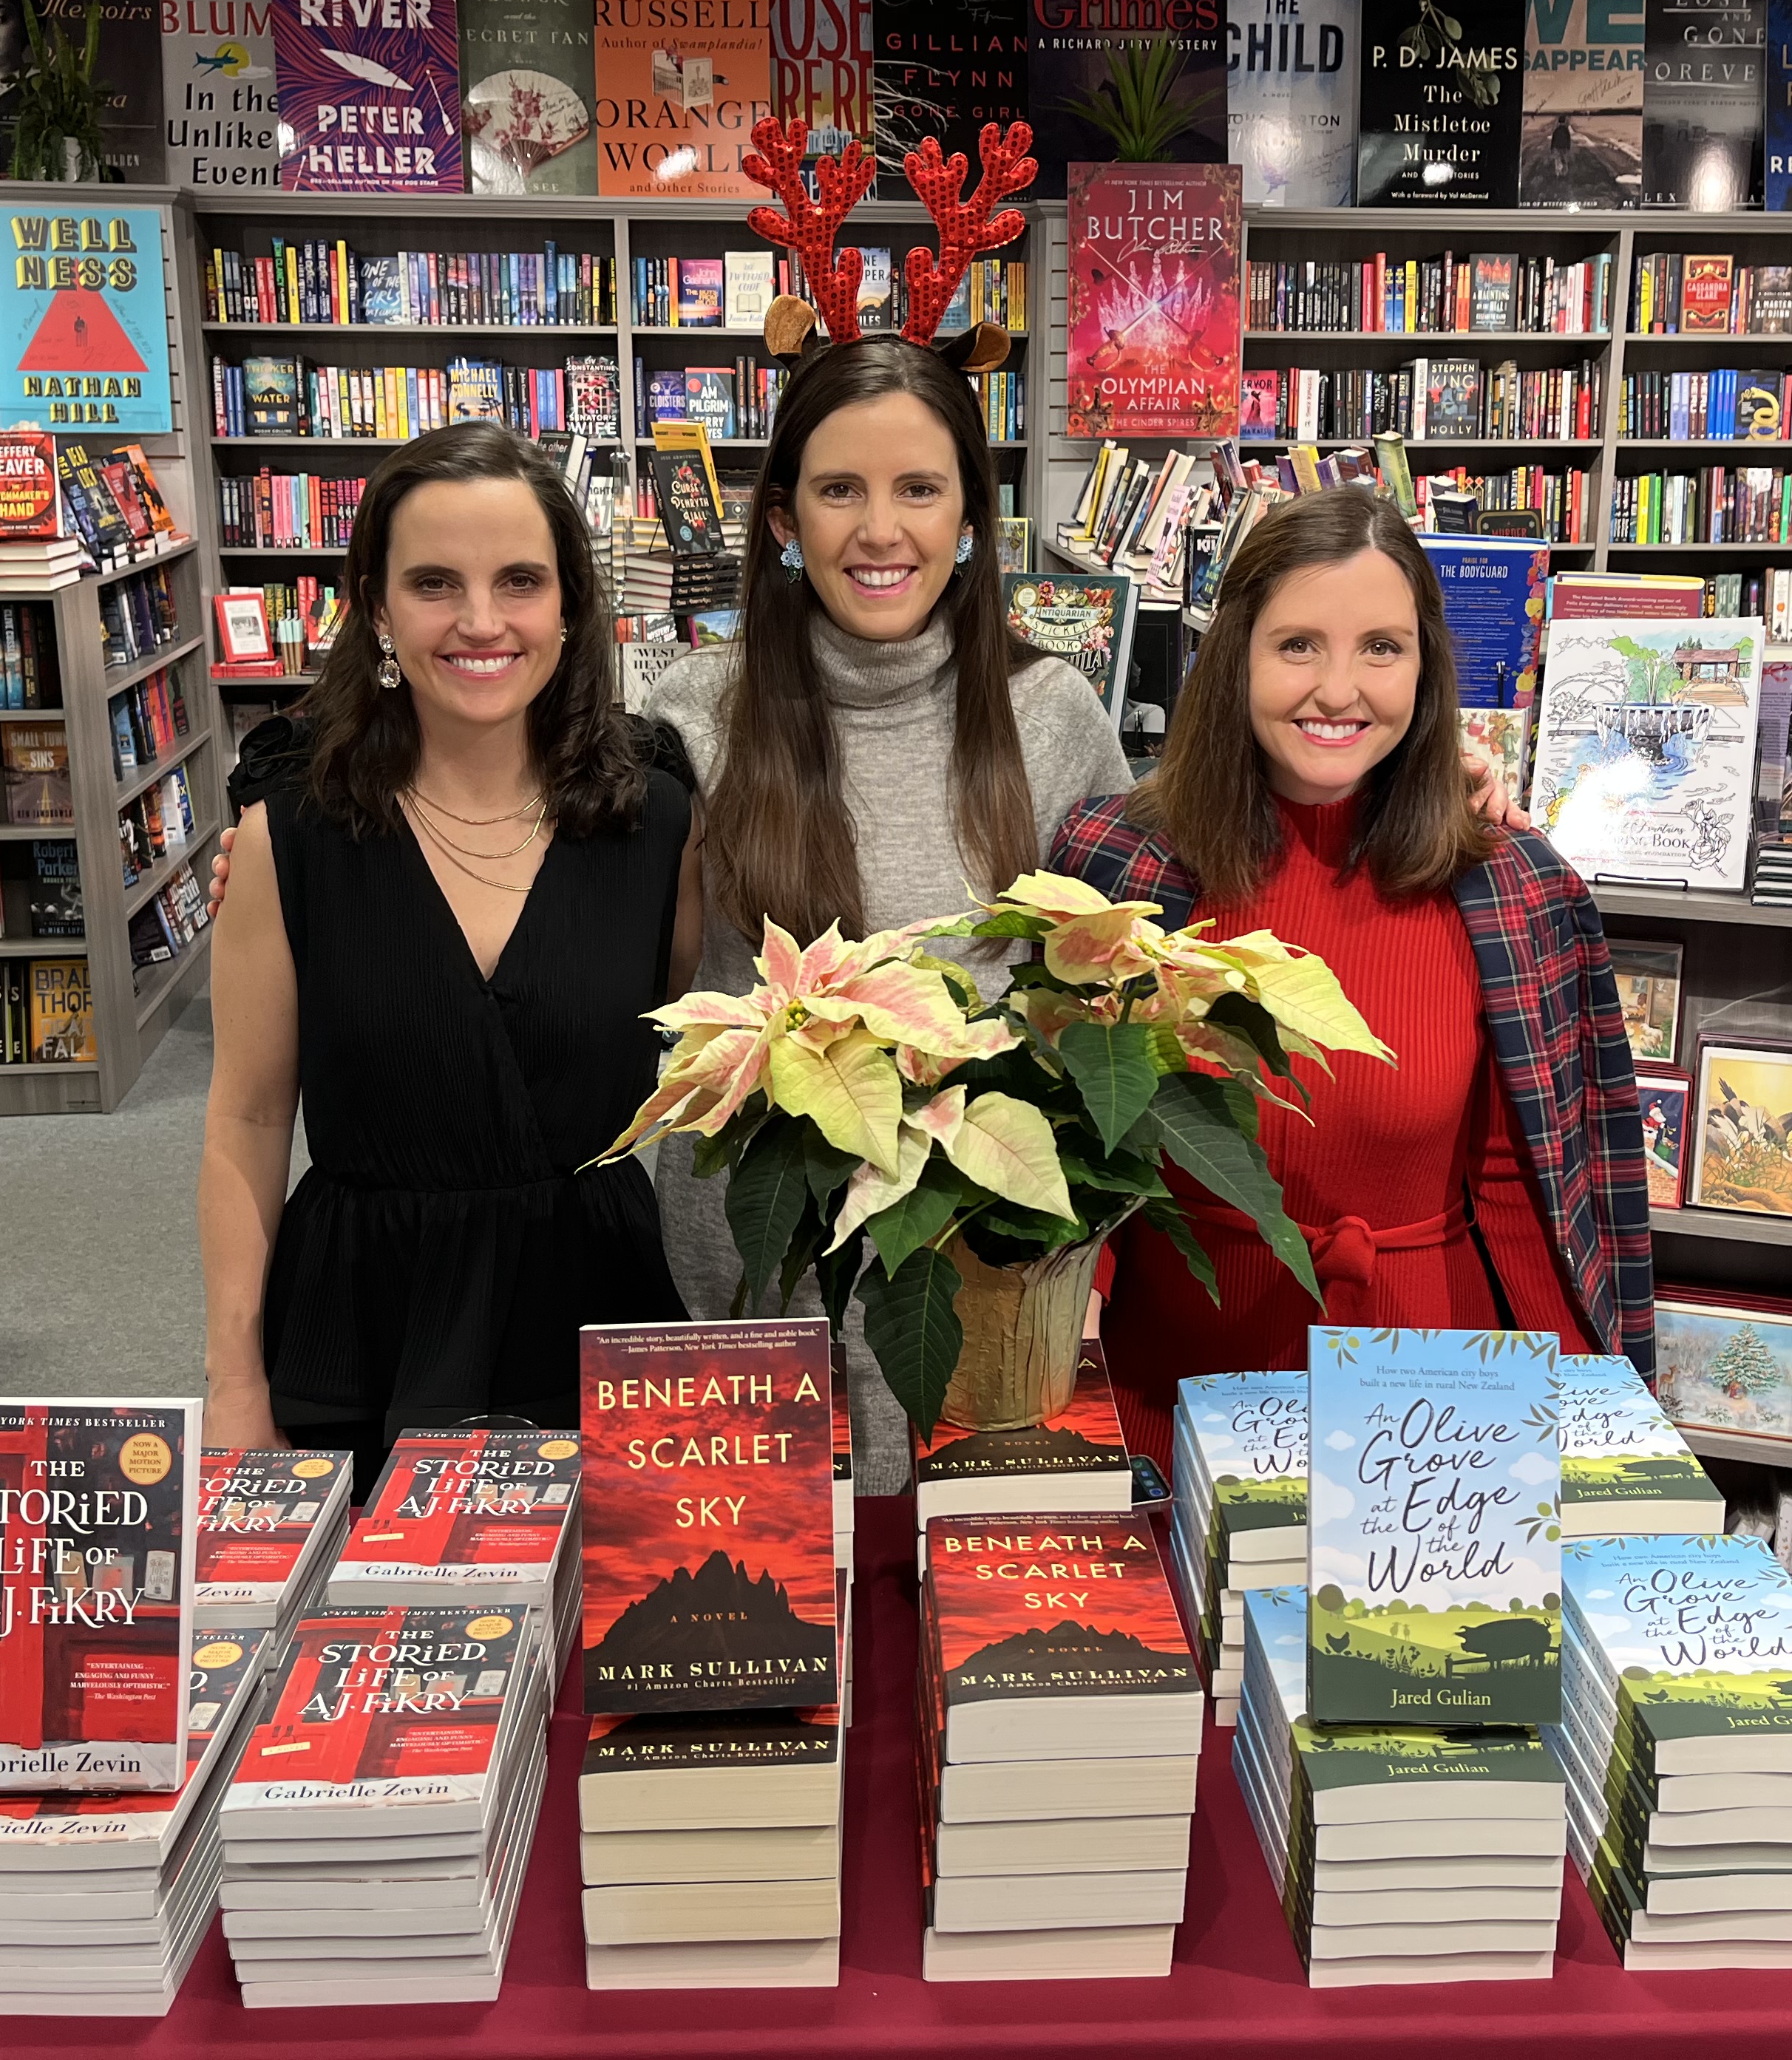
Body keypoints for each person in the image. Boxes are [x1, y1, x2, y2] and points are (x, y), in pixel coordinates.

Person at [1046, 486, 1651, 1461]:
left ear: (1426, 665)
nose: (1339, 689)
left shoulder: (1514, 891)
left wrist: (1586, 1441)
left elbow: (1535, 1195)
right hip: (1167, 1397)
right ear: (1234, 654)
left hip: (1424, 1422)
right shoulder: (1116, 863)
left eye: (1381, 647)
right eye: (1297, 646)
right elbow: (1070, 1156)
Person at [643, 330, 1129, 1483]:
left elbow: (1135, 954)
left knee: (966, 1629)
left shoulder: (1051, 715)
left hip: (975, 1280)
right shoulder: (695, 710)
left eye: (919, 488)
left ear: (972, 516)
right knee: (770, 1602)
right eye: (838, 490)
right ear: (782, 517)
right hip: (749, 1264)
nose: (879, 530)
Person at [199, 423, 699, 1476]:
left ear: (569, 605)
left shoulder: (659, 825)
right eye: (435, 584)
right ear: (377, 610)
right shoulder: (287, 833)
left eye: (520, 580)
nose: (481, 621)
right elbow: (245, 1119)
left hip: (596, 1319)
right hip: (362, 1327)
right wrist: (233, 1380)